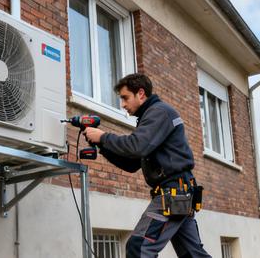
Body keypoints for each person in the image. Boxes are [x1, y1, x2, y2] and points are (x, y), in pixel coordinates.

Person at [84, 73, 212, 258]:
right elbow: (131, 163)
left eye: (125, 98)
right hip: (180, 193)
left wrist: (103, 137)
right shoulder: (151, 117)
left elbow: (136, 146)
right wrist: (102, 146)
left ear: (141, 93)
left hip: (173, 193)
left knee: (139, 248)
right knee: (193, 255)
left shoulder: (159, 112)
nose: (123, 104)